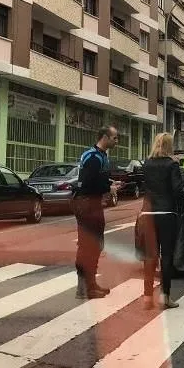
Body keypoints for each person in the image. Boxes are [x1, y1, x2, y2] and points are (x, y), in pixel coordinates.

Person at [73, 125, 122, 299]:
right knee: (90, 245)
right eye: (114, 138)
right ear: (105, 137)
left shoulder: (98, 155)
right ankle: (86, 287)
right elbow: (88, 183)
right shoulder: (94, 157)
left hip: (89, 204)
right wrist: (108, 187)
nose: (117, 141)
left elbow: (95, 179)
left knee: (94, 245)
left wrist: (109, 183)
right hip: (88, 205)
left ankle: (89, 285)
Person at [140, 132, 184, 310]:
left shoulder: (147, 163)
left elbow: (146, 187)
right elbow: (177, 190)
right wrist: (181, 208)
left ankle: (147, 297)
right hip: (167, 212)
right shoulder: (172, 164)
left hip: (148, 213)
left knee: (150, 256)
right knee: (166, 255)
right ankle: (165, 296)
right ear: (169, 146)